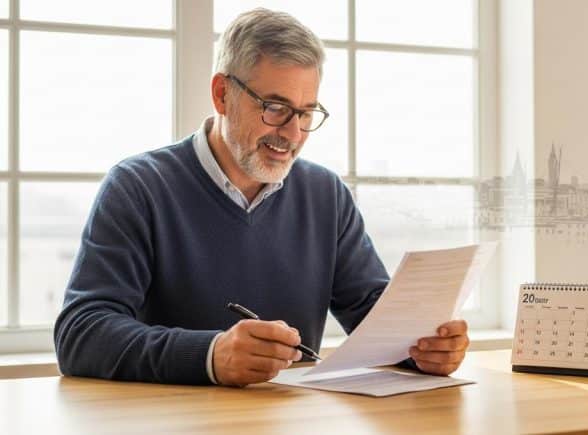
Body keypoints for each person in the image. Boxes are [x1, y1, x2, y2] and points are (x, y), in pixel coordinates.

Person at [54, 8, 469, 387]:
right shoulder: (138, 186)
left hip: (294, 420)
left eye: (306, 113)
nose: (292, 134)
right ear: (221, 95)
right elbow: (81, 333)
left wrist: (425, 350)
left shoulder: (326, 194)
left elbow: (376, 319)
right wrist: (211, 356)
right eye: (275, 107)